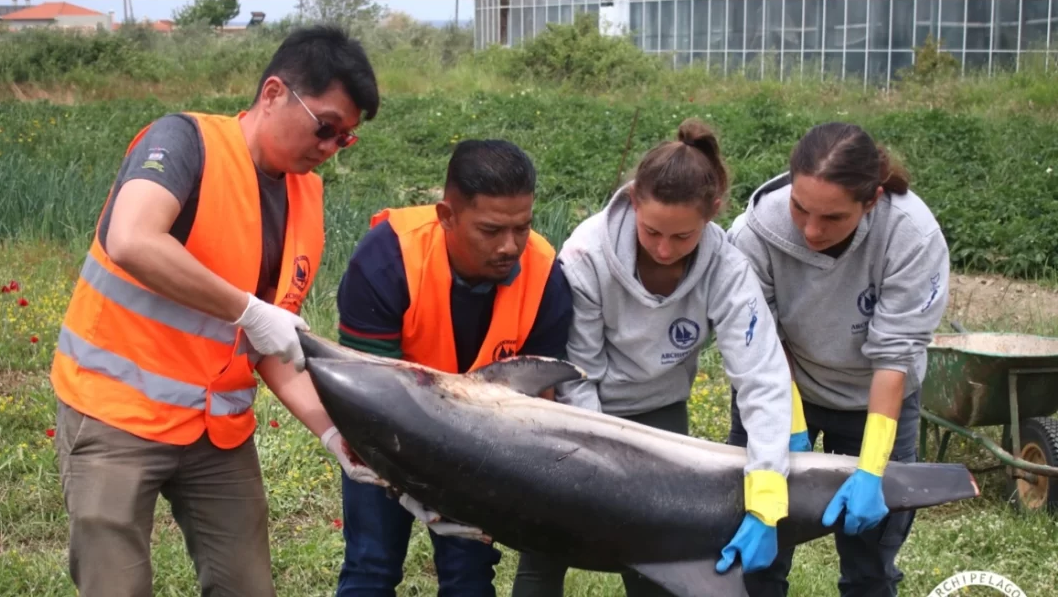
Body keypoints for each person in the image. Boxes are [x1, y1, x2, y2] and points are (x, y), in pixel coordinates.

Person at [48, 25, 380, 597]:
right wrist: (249, 309)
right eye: (325, 127)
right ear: (274, 92)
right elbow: (132, 238)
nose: (328, 149)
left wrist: (331, 434)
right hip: (114, 413)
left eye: (344, 140)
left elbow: (271, 341)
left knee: (246, 587)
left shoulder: (305, 198)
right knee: (115, 587)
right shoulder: (184, 143)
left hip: (217, 433)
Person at [512, 118, 797, 596]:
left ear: (712, 215)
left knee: (655, 561)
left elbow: (762, 377)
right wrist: (597, 469)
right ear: (633, 201)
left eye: (682, 237)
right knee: (546, 549)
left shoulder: (727, 268)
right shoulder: (585, 255)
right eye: (651, 232)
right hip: (580, 414)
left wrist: (767, 492)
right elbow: (577, 373)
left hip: (661, 413)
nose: (665, 249)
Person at [330, 138, 575, 596]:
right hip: (384, 438)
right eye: (491, 229)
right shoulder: (387, 260)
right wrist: (411, 482)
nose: (510, 246)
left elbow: (540, 404)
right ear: (447, 217)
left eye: (522, 227)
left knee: (470, 574)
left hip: (482, 448)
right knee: (371, 566)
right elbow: (365, 397)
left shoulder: (545, 273)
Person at [726, 121, 951, 597]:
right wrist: (788, 425)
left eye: (832, 219)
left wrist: (871, 469)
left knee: (870, 564)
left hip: (874, 396)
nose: (811, 230)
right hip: (783, 386)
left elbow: (894, 358)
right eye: (800, 209)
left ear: (870, 203)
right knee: (759, 556)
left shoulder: (910, 235)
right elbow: (761, 344)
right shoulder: (753, 234)